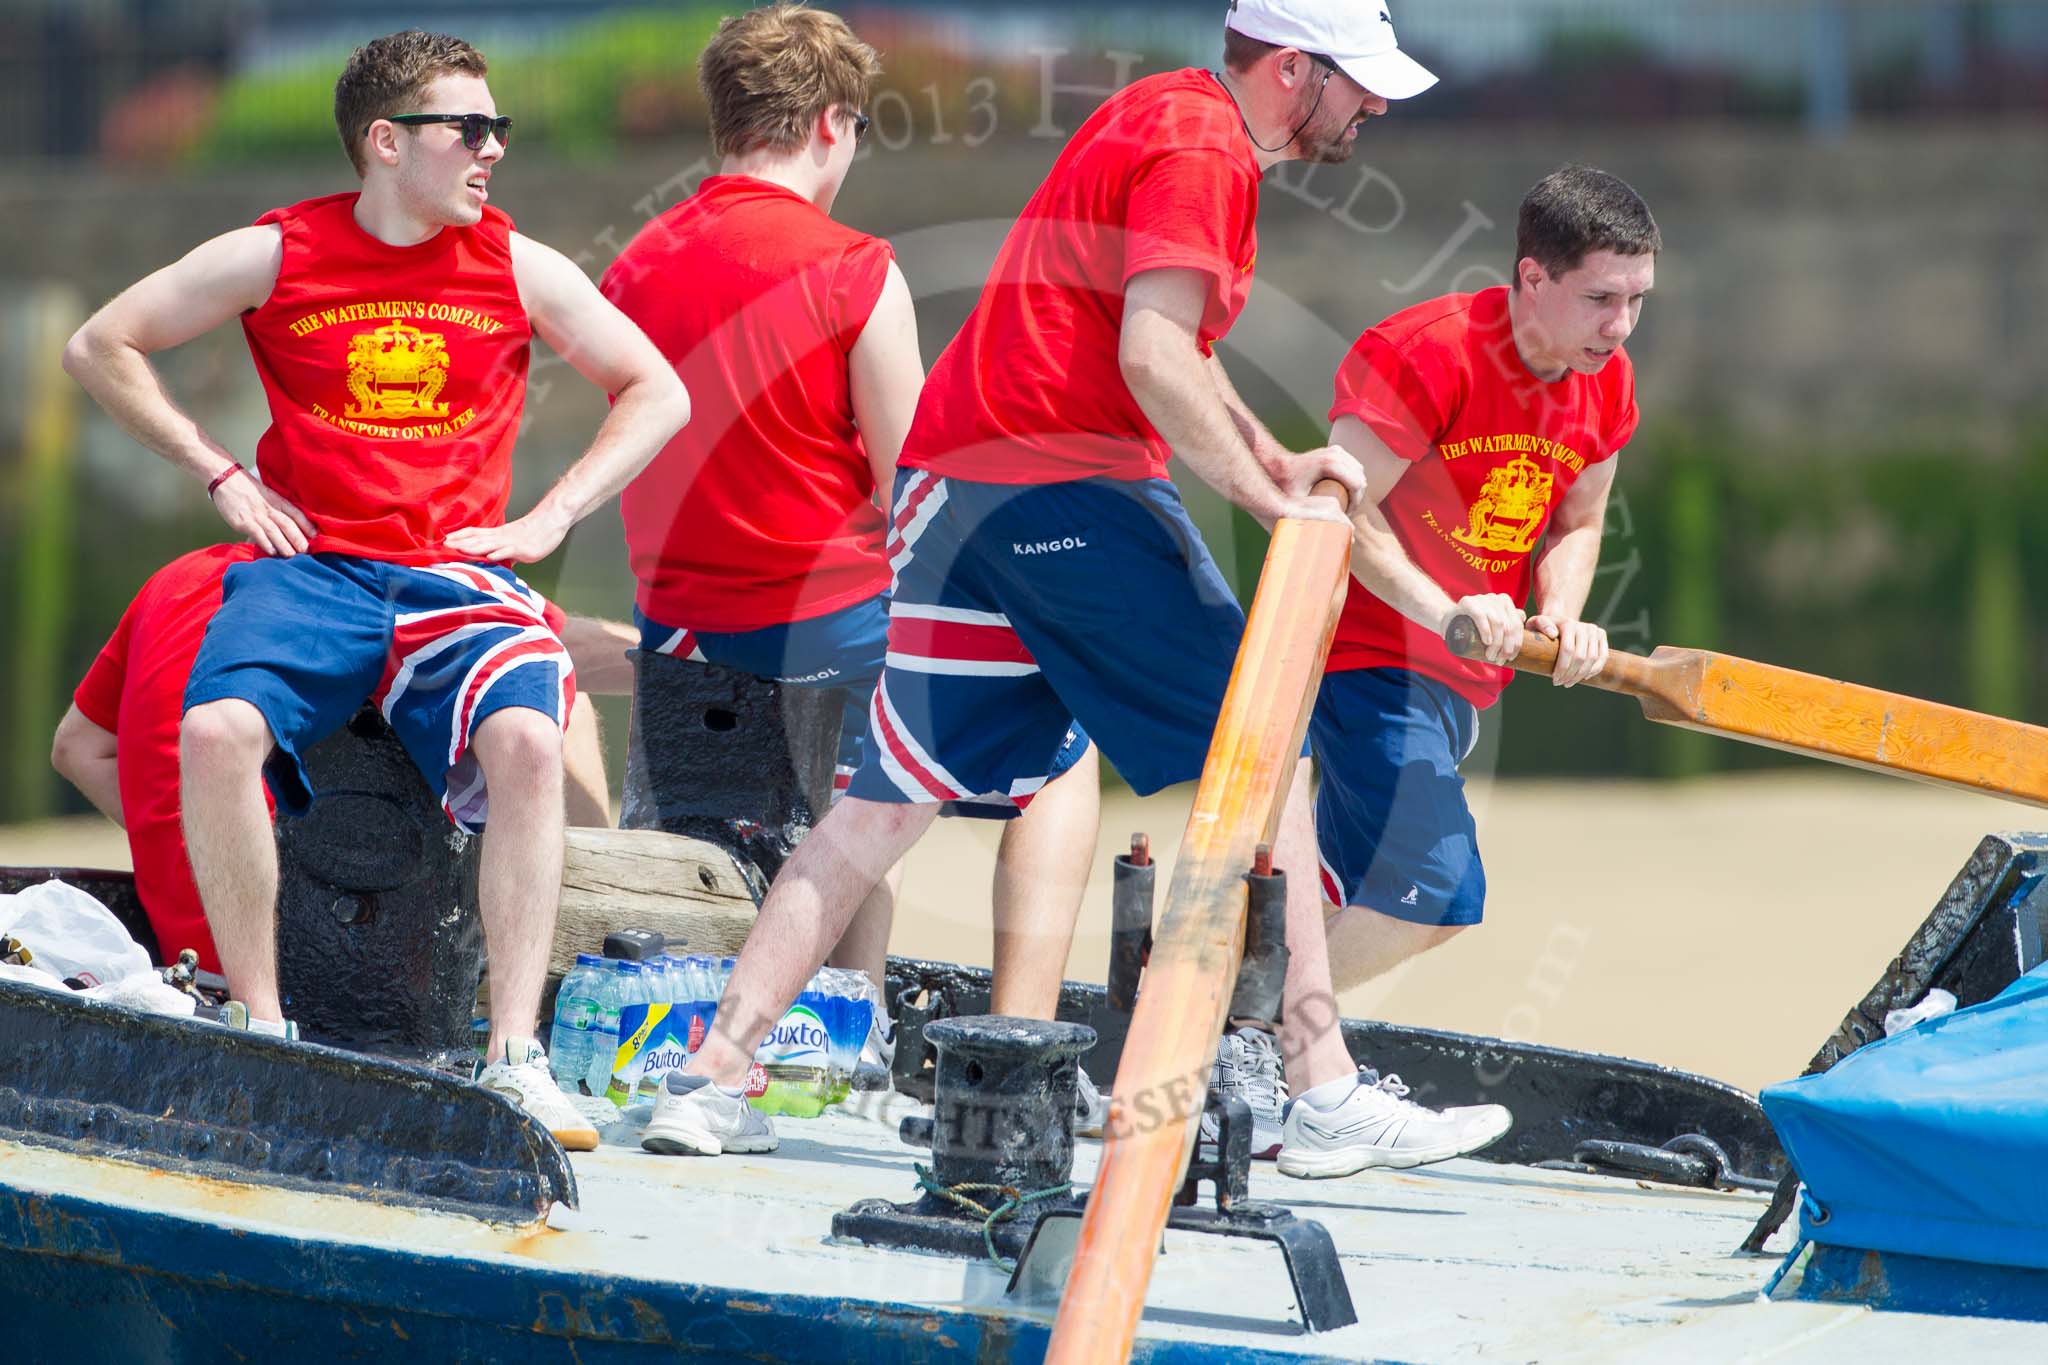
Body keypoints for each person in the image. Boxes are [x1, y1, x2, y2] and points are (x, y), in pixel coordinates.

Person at [641, 0, 1496, 1176]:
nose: (1375, 107)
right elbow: (1150, 358)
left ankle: (709, 1078)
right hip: (1060, 486)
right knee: (1265, 744)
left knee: (878, 810)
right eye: (1357, 83)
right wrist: (1271, 503)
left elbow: (1169, 345)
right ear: (1290, 70)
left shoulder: (1159, 111)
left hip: (952, 497)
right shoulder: (1205, 148)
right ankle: (1322, 1086)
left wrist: (1274, 454)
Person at [59, 29, 690, 1152]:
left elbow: (655, 389)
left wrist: (552, 517)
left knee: (535, 743)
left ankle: (515, 1055)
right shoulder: (277, 252)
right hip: (316, 570)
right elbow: (101, 345)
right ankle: (261, 1030)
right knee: (213, 732)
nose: (493, 149)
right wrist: (219, 472)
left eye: (500, 128)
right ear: (388, 144)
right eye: (470, 129)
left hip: (457, 576)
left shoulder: (517, 263)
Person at [599, 4, 1101, 1076]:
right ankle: (1008, 1049)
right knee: (1058, 743)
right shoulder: (855, 268)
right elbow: (908, 486)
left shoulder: (631, 265)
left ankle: (854, 1009)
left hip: (680, 627)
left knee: (884, 728)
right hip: (824, 622)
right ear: (831, 124)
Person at [1307, 165, 1658, 1171]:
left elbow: (1578, 520)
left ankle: (1261, 1068)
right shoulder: (1424, 354)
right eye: (1598, 298)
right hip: (1361, 659)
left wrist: (1562, 620)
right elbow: (1340, 510)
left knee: (1345, 901)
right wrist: (1444, 608)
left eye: (1636, 300)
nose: (1619, 326)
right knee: (1433, 884)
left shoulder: (1607, 381)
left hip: (1460, 684)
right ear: (1529, 277)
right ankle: (1266, 1057)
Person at [50, 546, 625, 978]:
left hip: (193, 965)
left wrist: (209, 842)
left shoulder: (171, 581)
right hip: (340, 971)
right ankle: (587, 940)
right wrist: (691, 651)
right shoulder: (377, 576)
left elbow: (76, 748)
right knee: (550, 692)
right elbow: (558, 645)